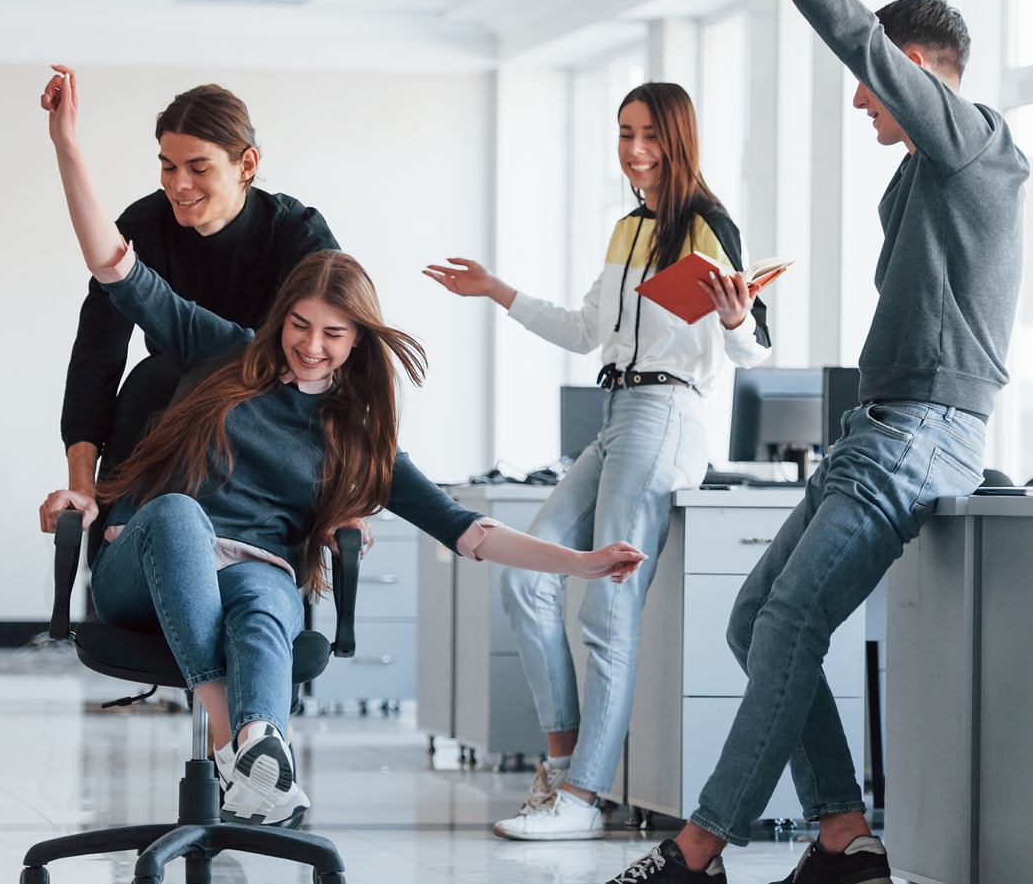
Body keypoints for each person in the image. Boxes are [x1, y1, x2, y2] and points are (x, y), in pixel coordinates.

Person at [574, 0, 1027, 884]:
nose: (863, 101)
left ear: (921, 75)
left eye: (880, 86)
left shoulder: (974, 143)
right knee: (752, 620)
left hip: (919, 430)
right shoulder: (914, 184)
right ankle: (841, 835)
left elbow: (862, 46)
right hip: (881, 425)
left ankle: (694, 854)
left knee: (783, 622)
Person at [37, 90, 646, 831]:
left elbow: (464, 529)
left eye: (332, 333)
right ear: (276, 319)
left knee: (267, 602)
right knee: (176, 513)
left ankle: (262, 752)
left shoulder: (356, 434)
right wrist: (68, 144)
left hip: (250, 572)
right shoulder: (223, 348)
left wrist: (579, 563)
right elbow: (113, 267)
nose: (310, 345)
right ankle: (233, 740)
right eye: (297, 325)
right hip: (149, 561)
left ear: (358, 340)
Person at [425, 82, 772, 841]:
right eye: (623, 133)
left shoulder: (709, 226)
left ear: (678, 139)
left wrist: (738, 317)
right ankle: (561, 770)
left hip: (668, 414)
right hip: (614, 413)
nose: (634, 149)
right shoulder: (627, 229)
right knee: (525, 573)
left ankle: (583, 799)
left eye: (649, 134)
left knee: (609, 610)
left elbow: (751, 344)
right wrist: (496, 290)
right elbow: (588, 330)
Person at [48, 67, 340, 555]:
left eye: (198, 168)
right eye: (167, 166)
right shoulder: (142, 225)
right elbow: (95, 358)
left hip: (265, 424)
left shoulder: (298, 234)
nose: (179, 185)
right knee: (154, 380)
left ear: (246, 163)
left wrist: (343, 501)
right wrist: (83, 486)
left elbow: (340, 359)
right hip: (166, 414)